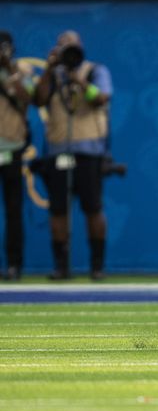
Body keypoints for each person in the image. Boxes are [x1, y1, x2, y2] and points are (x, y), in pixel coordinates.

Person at [34, 30, 113, 280]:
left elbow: (101, 98)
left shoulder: (94, 71)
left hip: (88, 150)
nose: (67, 51)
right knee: (58, 211)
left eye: (71, 47)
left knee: (93, 208)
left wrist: (78, 80)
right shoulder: (53, 74)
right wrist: (49, 69)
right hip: (58, 150)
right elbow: (38, 99)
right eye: (62, 47)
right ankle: (61, 266)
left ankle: (97, 266)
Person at [0, 31, 34, 281]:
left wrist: (10, 69)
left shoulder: (21, 71)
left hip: (11, 148)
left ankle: (14, 264)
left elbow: (28, 98)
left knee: (13, 210)